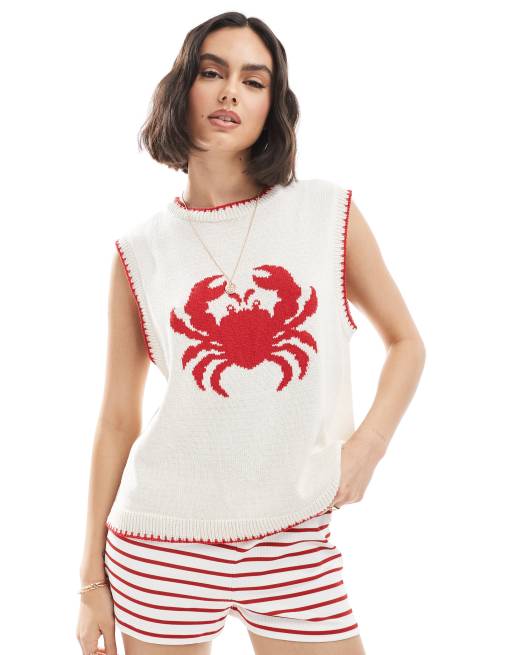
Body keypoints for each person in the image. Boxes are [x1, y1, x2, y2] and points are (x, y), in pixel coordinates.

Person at [76, 11, 426, 655]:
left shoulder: (326, 212)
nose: (231, 92)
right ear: (182, 88)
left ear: (273, 105)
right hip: (161, 541)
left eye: (254, 80)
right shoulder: (139, 251)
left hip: (294, 532)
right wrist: (89, 580)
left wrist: (369, 447)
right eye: (212, 72)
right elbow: (117, 420)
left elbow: (407, 342)